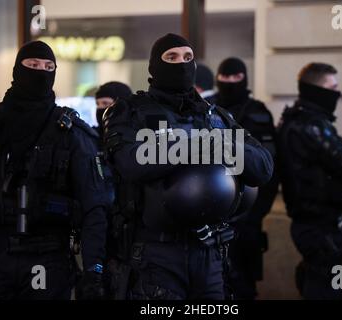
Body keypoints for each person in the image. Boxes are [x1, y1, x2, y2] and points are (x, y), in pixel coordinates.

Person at [103, 33, 274, 300]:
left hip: (210, 253)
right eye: (171, 57)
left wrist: (221, 144)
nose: (181, 64)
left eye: (188, 58)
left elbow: (262, 168)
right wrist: (197, 144)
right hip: (156, 254)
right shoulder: (130, 112)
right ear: (154, 66)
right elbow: (131, 163)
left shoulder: (215, 116)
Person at [0, 41, 112, 300]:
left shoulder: (72, 134)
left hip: (49, 257)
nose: (40, 72)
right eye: (32, 65)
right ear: (17, 70)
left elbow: (94, 207)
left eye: (48, 67)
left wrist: (94, 272)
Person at [277, 62, 342, 299]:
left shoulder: (298, 120)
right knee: (327, 287)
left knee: (330, 281)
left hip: (316, 223)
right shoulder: (310, 125)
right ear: (317, 90)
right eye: (333, 86)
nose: (338, 92)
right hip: (318, 226)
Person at [214, 57, 279, 299]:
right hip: (211, 212)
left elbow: (270, 168)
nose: (230, 82)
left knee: (243, 286)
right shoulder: (207, 110)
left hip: (248, 215)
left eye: (236, 78)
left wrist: (256, 212)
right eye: (225, 77)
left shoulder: (257, 112)